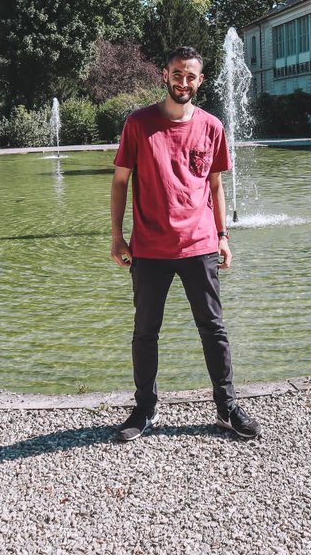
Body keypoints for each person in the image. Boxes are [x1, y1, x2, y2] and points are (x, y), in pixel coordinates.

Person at [109, 45, 261, 442]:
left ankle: (226, 408)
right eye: (177, 73)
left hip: (199, 244)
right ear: (165, 74)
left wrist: (223, 235)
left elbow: (214, 185)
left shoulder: (212, 126)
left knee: (213, 329)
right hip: (149, 247)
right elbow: (121, 181)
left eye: (190, 76)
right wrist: (116, 235)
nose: (183, 81)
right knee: (145, 332)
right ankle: (144, 408)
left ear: (200, 81)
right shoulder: (139, 124)